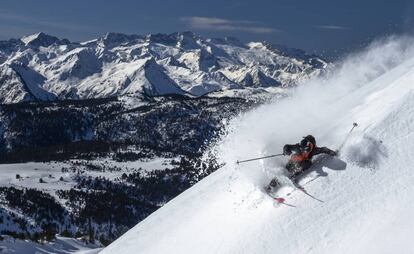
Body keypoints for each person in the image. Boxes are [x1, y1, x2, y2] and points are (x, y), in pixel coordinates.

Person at [267, 135, 337, 190]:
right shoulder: (298, 147)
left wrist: (333, 152)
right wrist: (286, 151)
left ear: (309, 148)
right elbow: (287, 146)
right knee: (285, 170)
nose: (303, 152)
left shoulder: (313, 151)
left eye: (305, 151)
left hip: (302, 164)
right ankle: (270, 186)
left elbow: (324, 149)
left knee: (308, 163)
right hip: (293, 162)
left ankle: (293, 177)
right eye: (302, 150)